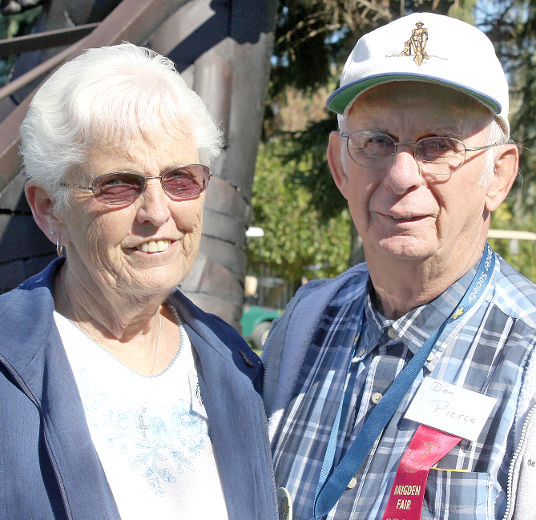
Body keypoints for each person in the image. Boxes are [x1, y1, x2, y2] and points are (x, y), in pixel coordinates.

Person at [263, 12, 536, 520]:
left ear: (498, 175)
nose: (401, 174)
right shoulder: (302, 323)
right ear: (340, 165)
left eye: (438, 146)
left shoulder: (529, 363)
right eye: (376, 142)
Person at [0, 43, 278, 520]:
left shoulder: (235, 365)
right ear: (49, 209)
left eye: (181, 180)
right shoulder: (10, 359)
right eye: (118, 185)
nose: (156, 213)